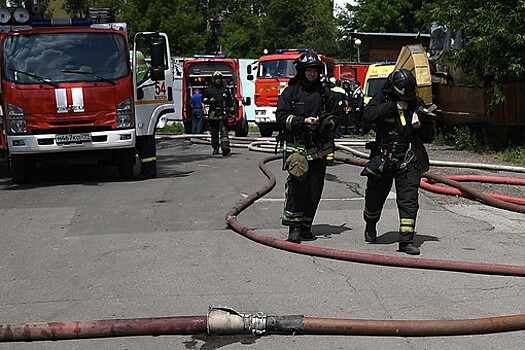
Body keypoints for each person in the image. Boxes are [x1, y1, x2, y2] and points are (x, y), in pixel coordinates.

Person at [275, 51, 343, 243]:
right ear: (301, 71)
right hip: (297, 149)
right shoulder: (291, 93)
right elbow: (281, 117)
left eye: (314, 70)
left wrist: (324, 123)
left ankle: (306, 225)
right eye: (308, 70)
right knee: (297, 188)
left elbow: (338, 116)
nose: (311, 74)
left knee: (315, 190)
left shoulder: (325, 94)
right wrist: (302, 121)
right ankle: (294, 228)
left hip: (319, 150)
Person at [360, 68, 428, 255]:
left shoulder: (416, 103)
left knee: (409, 200)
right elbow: (367, 116)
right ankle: (371, 224)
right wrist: (393, 107)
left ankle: (406, 241)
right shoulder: (382, 99)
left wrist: (420, 124)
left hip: (407, 158)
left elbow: (430, 134)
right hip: (384, 156)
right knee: (374, 197)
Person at [202, 71, 232, 156]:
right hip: (213, 113)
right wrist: (209, 100)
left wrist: (230, 111)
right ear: (214, 79)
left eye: (219, 78)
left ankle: (225, 147)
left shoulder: (225, 89)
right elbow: (203, 99)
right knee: (214, 132)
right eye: (216, 78)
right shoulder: (209, 89)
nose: (218, 80)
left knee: (224, 131)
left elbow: (230, 101)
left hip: (222, 113)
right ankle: (215, 148)